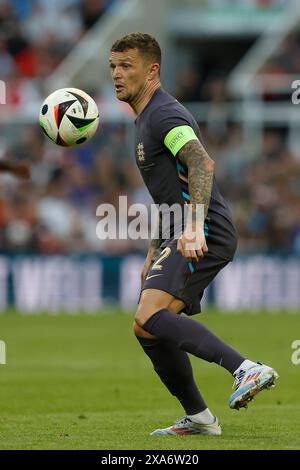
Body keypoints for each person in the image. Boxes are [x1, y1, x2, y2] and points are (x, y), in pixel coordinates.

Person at [109, 33, 278, 436]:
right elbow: (169, 191)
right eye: (113, 66)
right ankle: (200, 417)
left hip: (204, 231)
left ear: (153, 70)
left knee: (150, 315)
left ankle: (246, 368)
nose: (117, 74)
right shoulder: (145, 117)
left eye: (126, 66)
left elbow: (201, 163)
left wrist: (193, 226)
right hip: (180, 230)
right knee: (146, 327)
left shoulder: (164, 115)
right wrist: (154, 247)